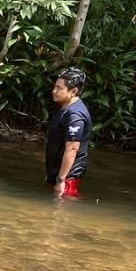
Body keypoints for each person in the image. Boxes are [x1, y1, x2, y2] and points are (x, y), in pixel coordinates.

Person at [45, 67, 92, 198]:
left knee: (63, 205)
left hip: (67, 178)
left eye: (59, 88)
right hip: (58, 173)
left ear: (74, 91)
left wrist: (61, 179)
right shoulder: (65, 109)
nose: (54, 91)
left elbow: (72, 149)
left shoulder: (74, 115)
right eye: (55, 86)